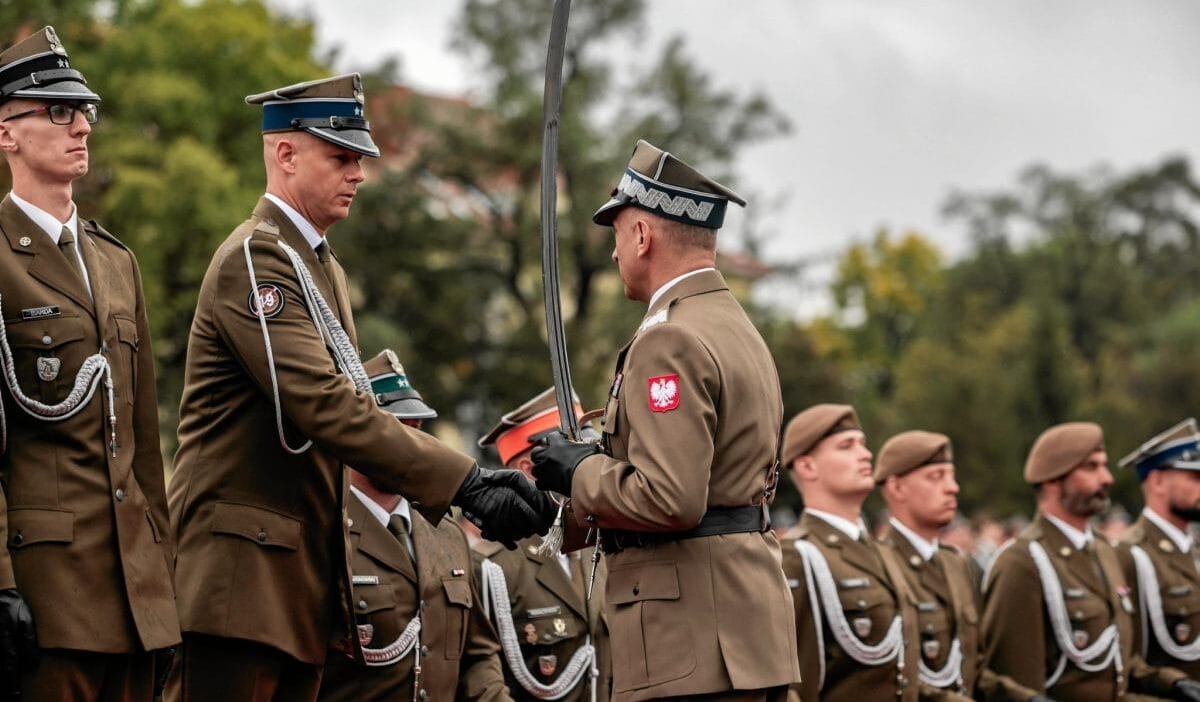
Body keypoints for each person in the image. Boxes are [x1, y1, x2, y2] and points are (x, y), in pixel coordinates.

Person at [166, 73, 549, 701]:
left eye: (360, 159)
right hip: (239, 583)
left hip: (292, 584)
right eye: (340, 157)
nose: (359, 174)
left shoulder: (319, 266)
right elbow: (326, 405)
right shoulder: (257, 259)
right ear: (285, 154)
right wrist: (465, 482)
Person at [530, 139, 799, 700]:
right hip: (741, 630)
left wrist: (579, 471)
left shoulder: (670, 338)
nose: (613, 254)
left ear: (643, 235)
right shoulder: (735, 328)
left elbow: (671, 497)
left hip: (688, 641)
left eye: (616, 236)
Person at [0, 26, 179, 699]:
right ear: (5, 134)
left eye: (84, 112)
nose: (80, 127)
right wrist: (0, 586)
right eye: (56, 111)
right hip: (46, 593)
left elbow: (144, 446)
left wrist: (162, 577)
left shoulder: (115, 260)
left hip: (134, 598)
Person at [317, 350, 511, 701]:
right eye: (397, 430)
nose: (413, 442)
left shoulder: (445, 532)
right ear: (355, 435)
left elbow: (478, 654)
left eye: (416, 427)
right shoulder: (323, 531)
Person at [981, 421, 1200, 701]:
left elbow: (1120, 664)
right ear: (1052, 479)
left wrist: (1175, 684)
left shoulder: (1104, 551)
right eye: (1091, 467)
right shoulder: (1022, 562)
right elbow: (1017, 685)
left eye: (1104, 466)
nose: (1107, 478)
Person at [875, 430, 1045, 700]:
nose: (952, 487)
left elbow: (973, 671)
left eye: (951, 475)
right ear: (896, 488)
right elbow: (881, 680)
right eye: (936, 476)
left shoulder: (955, 564)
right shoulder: (878, 564)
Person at [778, 404, 924, 702]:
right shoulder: (798, 557)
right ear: (807, 467)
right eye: (847, 446)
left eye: (863, 444)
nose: (866, 454)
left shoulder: (882, 552)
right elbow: (790, 684)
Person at [475, 388, 611, 702]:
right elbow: (481, 676)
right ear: (529, 472)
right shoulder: (491, 566)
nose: (593, 464)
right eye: (576, 456)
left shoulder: (602, 546)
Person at [1115, 418, 1200, 679]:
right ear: (1157, 482)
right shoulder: (1130, 553)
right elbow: (1131, 660)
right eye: (1195, 477)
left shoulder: (1193, 550)